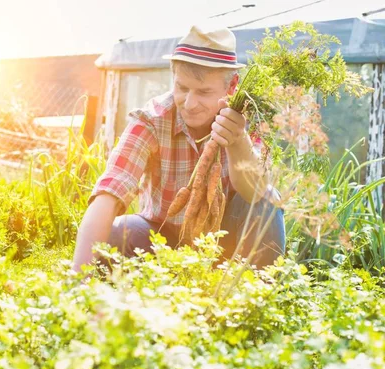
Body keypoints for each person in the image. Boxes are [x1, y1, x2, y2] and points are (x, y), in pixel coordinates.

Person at [72, 24, 285, 274]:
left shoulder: (247, 118)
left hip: (224, 244)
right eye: (182, 88)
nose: (190, 103)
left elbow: (257, 191)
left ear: (231, 86)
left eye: (204, 92)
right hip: (160, 239)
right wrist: (78, 279)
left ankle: (255, 301)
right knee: (120, 232)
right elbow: (109, 194)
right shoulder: (151, 121)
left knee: (267, 203)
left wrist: (237, 141)